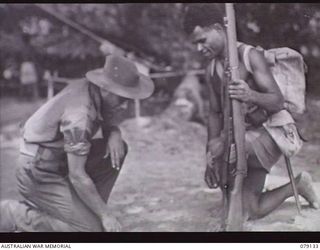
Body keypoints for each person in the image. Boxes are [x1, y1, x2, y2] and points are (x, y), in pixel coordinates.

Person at [183, 4, 319, 222]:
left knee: (230, 148)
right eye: (195, 44)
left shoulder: (249, 56)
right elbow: (214, 114)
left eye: (202, 40)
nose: (199, 48)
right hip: (240, 141)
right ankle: (299, 183)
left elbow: (277, 101)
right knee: (248, 211)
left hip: (272, 133)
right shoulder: (211, 68)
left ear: (218, 28)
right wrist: (210, 153)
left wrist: (251, 95)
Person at [0, 55, 154, 232]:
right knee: (90, 230)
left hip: (57, 161)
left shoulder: (91, 89)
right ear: (106, 90)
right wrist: (106, 215)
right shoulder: (80, 115)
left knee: (119, 149)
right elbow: (77, 175)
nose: (125, 106)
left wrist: (114, 132)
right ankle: (15, 214)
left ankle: (84, 212)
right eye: (122, 98)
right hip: (38, 173)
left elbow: (104, 122)